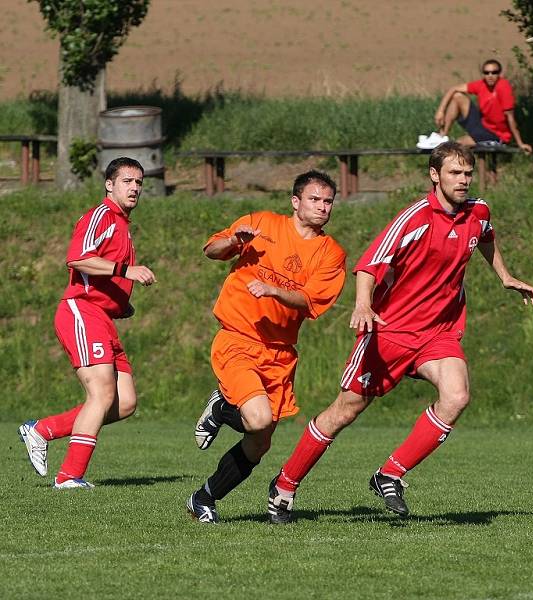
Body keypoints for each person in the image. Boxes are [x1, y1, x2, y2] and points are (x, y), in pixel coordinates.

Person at [266, 142, 533, 524]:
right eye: (454, 173)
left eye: (467, 173)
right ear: (434, 175)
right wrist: (363, 306)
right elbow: (369, 264)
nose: (462, 181)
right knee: (345, 411)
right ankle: (284, 486)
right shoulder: (415, 218)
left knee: (457, 396)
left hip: (438, 332)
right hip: (391, 331)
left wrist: (506, 277)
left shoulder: (479, 211)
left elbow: (486, 237)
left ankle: (390, 473)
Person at [186, 170, 346, 524]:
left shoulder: (330, 253)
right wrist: (233, 242)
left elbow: (309, 300)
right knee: (258, 418)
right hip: (239, 338)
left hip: (280, 353)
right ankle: (222, 408)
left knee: (260, 442)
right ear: (295, 202)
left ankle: (203, 498)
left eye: (328, 201)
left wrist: (275, 290)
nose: (322, 207)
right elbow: (211, 249)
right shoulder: (261, 224)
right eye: (314, 200)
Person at [18, 157, 157, 489]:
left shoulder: (122, 225)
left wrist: (122, 303)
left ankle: (43, 430)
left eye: (139, 182)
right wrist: (126, 272)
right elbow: (78, 258)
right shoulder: (103, 216)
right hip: (81, 311)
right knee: (101, 392)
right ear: (109, 184)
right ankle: (69, 477)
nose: (135, 187)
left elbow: (102, 272)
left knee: (124, 402)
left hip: (102, 317)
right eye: (127, 181)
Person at [418, 59, 533, 154]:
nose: (490, 76)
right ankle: (441, 136)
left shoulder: (504, 87)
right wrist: (440, 111)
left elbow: (510, 118)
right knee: (458, 96)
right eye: (486, 72)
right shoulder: (481, 84)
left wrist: (520, 143)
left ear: (499, 73)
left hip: (496, 134)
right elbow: (454, 89)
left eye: (494, 72)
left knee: (457, 145)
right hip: (483, 124)